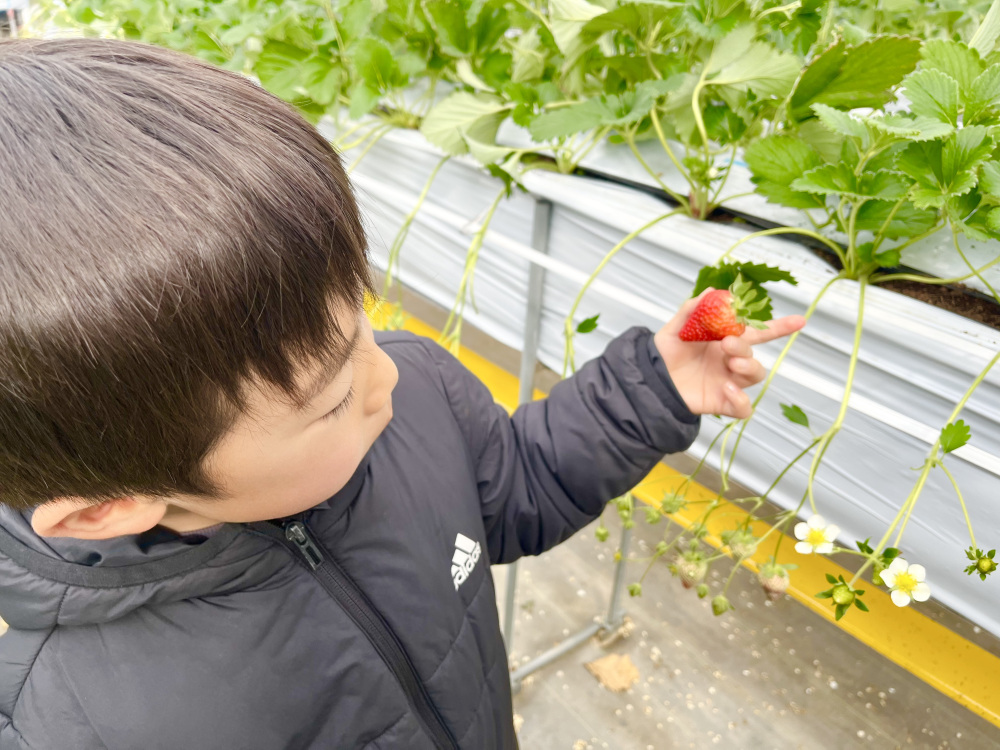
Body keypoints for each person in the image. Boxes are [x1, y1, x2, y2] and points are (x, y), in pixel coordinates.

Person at [0, 38, 804, 749]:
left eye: (362, 322)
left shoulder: (413, 392)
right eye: (329, 397)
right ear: (108, 508)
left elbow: (522, 482)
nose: (386, 371)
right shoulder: (74, 721)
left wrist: (654, 385)